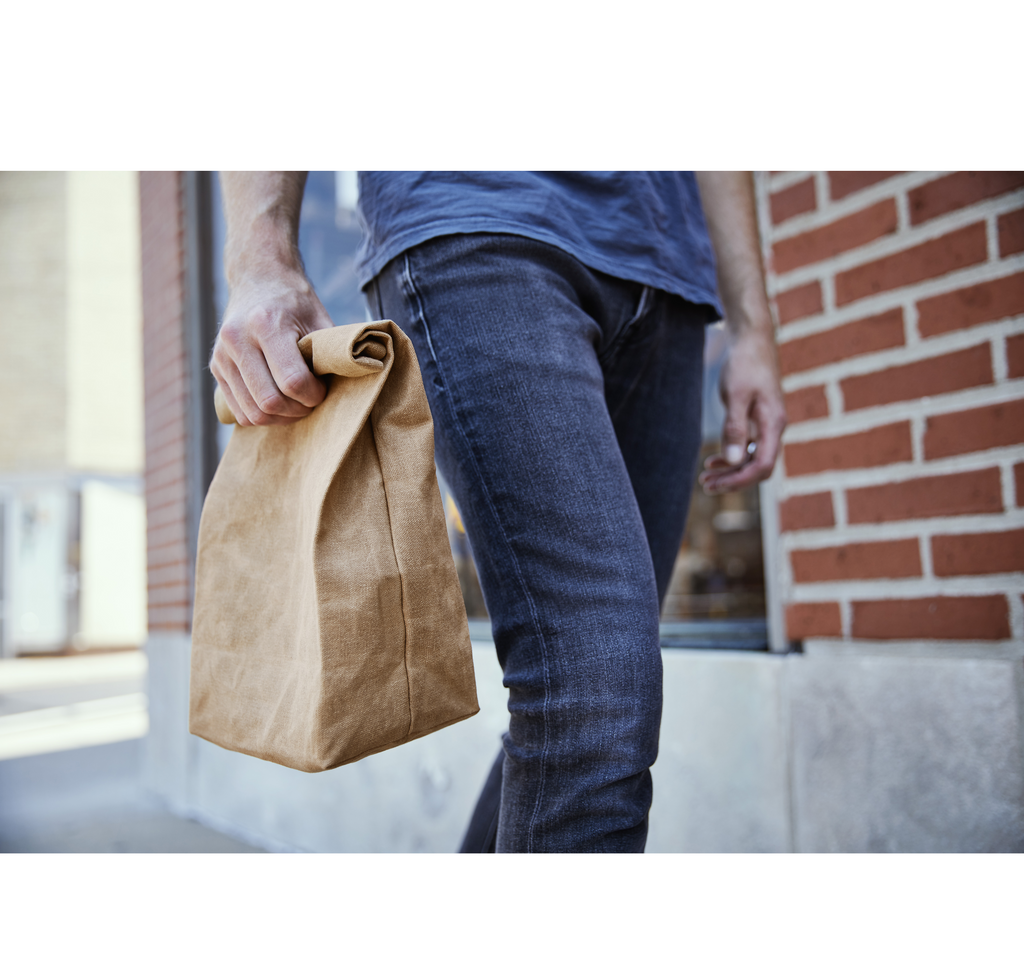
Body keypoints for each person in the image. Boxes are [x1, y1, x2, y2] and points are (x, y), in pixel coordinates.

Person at [211, 172, 786, 853]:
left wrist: (753, 327)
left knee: (581, 696)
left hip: (668, 280)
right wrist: (259, 260)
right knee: (594, 685)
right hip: (478, 223)